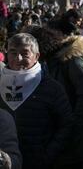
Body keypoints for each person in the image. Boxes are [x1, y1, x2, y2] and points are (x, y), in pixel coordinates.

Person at [26, 27, 83, 169]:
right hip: (62, 134)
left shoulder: (72, 61)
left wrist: (71, 125)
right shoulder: (50, 62)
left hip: (76, 136)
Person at [0, 33, 73, 169]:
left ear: (37, 56)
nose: (18, 58)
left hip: (38, 161)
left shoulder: (51, 88)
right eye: (13, 52)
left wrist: (47, 155)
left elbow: (66, 124)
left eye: (25, 53)